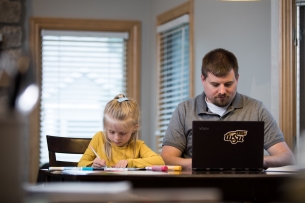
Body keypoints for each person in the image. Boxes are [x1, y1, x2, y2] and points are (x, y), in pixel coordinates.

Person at [161, 48, 295, 170]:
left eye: (228, 84)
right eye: (215, 84)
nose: (222, 91)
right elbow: (167, 157)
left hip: (246, 189)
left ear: (237, 78)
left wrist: (257, 161)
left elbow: (287, 157)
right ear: (203, 79)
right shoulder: (184, 110)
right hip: (199, 189)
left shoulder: (257, 109)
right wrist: (201, 163)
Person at [78, 94, 165, 168]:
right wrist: (92, 164)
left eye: (122, 133)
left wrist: (130, 162)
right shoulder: (99, 138)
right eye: (111, 132)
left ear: (134, 128)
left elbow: (160, 161)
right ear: (105, 127)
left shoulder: (138, 146)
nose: (116, 138)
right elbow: (81, 164)